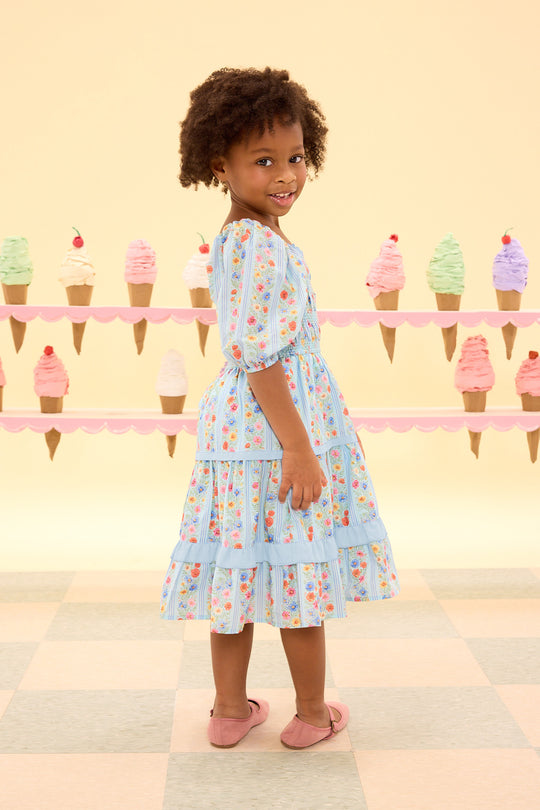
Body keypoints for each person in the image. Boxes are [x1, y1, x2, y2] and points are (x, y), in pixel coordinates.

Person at [160, 67, 400, 749]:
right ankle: (313, 713)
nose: (285, 174)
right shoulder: (259, 246)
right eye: (263, 161)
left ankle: (231, 709)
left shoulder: (241, 236)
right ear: (221, 166)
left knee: (237, 564)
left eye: (295, 158)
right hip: (273, 428)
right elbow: (262, 357)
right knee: (298, 568)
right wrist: (297, 444)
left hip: (239, 433)